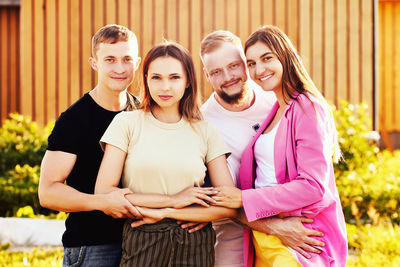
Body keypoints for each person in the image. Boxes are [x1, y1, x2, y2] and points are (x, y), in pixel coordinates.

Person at [213, 25, 348, 266]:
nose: (259, 70)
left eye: (267, 59)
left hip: (298, 239)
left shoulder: (307, 107)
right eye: (251, 63)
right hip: (266, 236)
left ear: (284, 56)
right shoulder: (274, 110)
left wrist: (245, 198)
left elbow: (312, 186)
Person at [94, 41, 237, 267]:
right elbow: (104, 193)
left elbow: (229, 203)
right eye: (156, 78)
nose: (165, 87)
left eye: (174, 77)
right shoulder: (127, 123)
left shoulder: (205, 130)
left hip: (194, 243)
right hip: (143, 239)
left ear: (188, 80)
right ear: (146, 80)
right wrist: (174, 200)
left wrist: (168, 211)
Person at [38, 24, 141, 267]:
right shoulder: (74, 119)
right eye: (110, 60)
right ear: (94, 63)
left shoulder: (143, 112)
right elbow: (48, 192)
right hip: (93, 246)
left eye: (127, 59)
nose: (119, 68)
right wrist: (103, 202)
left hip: (140, 241)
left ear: (137, 62)